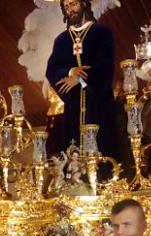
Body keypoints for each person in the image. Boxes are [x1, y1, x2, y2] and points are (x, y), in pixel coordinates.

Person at [46, 0, 117, 159]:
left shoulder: (102, 33)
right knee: (74, 159)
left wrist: (81, 80)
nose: (70, 9)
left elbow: (106, 66)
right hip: (73, 110)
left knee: (102, 156)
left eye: (73, 4)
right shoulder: (61, 40)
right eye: (66, 7)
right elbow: (52, 70)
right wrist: (70, 72)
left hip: (98, 105)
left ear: (84, 4)